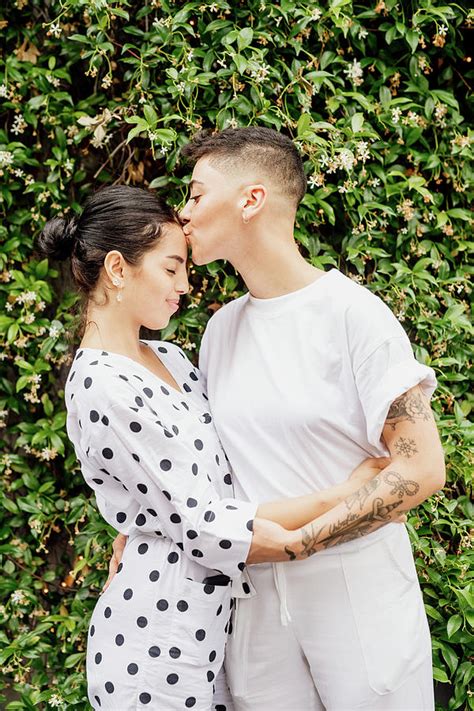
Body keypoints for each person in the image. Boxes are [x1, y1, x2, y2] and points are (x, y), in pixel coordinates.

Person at [38, 185, 394, 711]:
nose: (185, 284)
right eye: (171, 268)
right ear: (117, 267)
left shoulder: (171, 359)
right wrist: (350, 492)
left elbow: (222, 477)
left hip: (218, 633)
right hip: (155, 646)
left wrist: (141, 526)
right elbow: (208, 524)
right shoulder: (100, 386)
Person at [176, 127, 446, 711]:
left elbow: (421, 468)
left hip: (357, 588)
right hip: (255, 602)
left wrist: (300, 544)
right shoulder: (220, 330)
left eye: (196, 195)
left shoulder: (354, 316)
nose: (183, 213)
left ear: (251, 200)